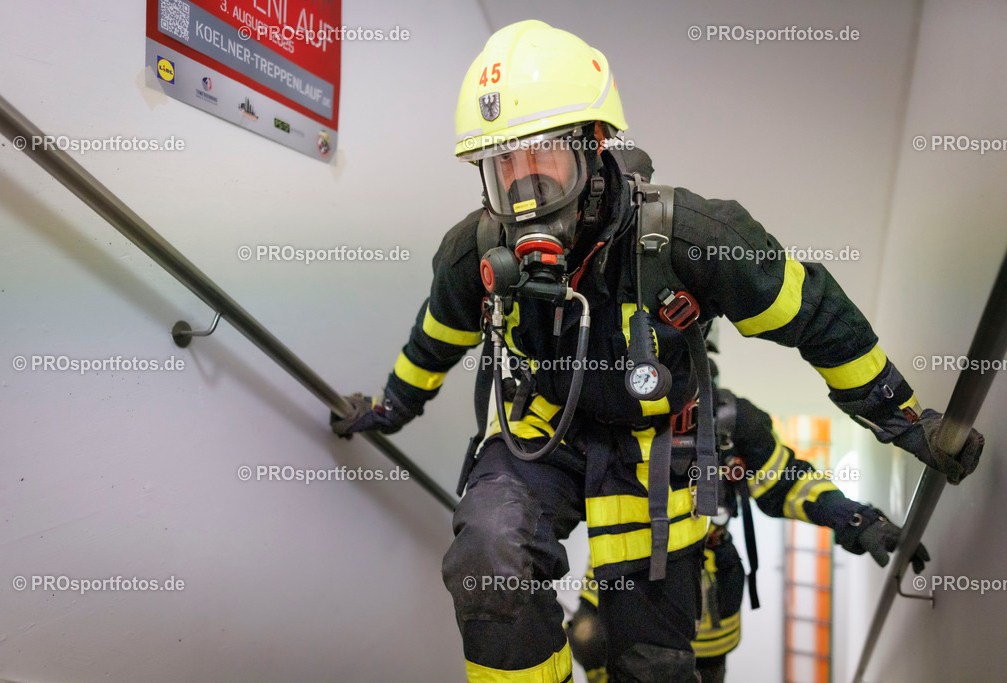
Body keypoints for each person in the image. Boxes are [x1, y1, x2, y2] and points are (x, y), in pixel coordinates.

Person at [330, 20, 983, 682]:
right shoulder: (475, 250)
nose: (525, 193)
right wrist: (388, 409)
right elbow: (436, 340)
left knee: (649, 665)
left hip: (654, 456)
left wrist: (906, 422)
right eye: (504, 167)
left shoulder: (693, 240)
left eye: (543, 157)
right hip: (544, 432)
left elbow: (814, 315)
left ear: (594, 143)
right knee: (489, 551)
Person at [566, 375, 931, 683]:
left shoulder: (729, 422)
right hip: (623, 554)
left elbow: (785, 481)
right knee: (590, 639)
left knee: (687, 667)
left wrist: (856, 519)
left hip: (708, 580)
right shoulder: (608, 411)